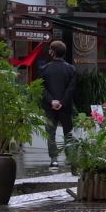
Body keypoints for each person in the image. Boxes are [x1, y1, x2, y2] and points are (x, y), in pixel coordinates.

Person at [40, 40, 77, 168]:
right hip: (65, 107)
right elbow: (71, 89)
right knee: (68, 133)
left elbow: (42, 88)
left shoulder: (44, 69)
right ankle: (70, 158)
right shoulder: (71, 69)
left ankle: (54, 159)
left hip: (49, 107)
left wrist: (52, 101)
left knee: (50, 133)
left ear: (52, 52)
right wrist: (62, 102)